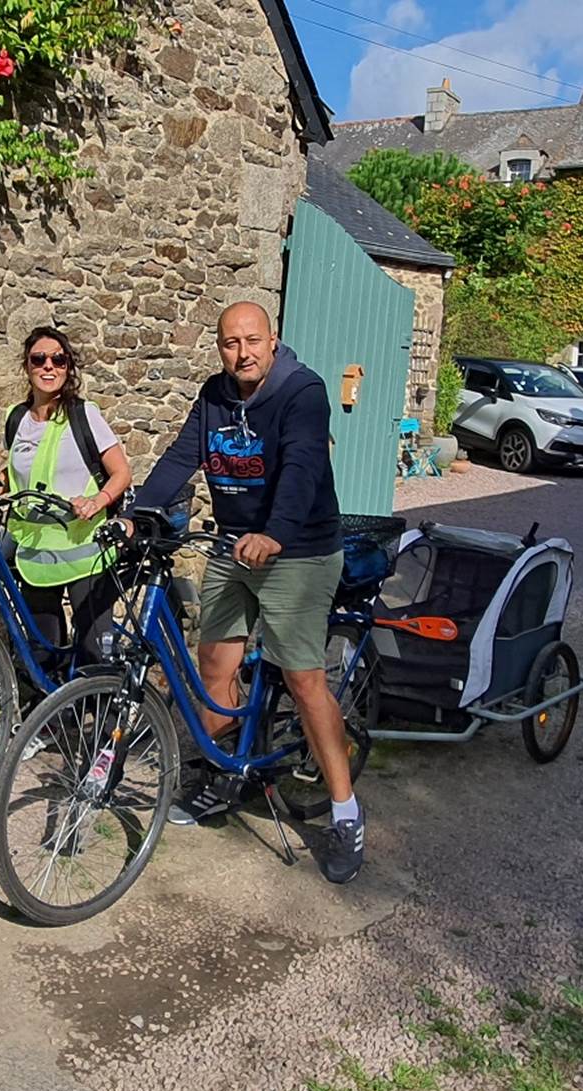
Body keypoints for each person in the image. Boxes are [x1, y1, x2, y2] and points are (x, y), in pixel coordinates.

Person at [129, 301, 364, 885]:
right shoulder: (214, 395)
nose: (243, 353)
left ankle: (345, 812)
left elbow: (303, 468)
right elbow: (181, 457)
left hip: (299, 549)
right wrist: (138, 513)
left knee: (303, 679)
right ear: (219, 348)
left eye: (252, 341)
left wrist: (275, 533)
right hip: (232, 546)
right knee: (216, 664)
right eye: (231, 344)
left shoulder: (302, 391)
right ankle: (224, 775)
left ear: (272, 340)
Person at [5, 325, 132, 667]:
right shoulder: (16, 419)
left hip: (84, 551)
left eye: (58, 360)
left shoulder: (83, 414)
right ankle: (52, 703)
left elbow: (121, 473)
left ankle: (103, 701)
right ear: (27, 366)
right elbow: (22, 474)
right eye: (39, 359)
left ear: (68, 367)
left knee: (94, 653)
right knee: (43, 652)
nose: (49, 366)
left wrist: (97, 501)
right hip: (36, 554)